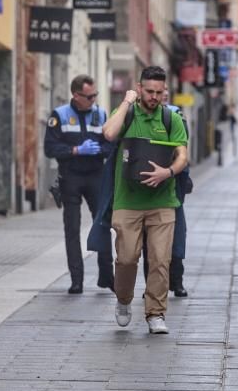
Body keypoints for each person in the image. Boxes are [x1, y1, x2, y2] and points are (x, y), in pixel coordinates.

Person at [103, 66, 188, 335]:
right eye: (149, 91)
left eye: (159, 92)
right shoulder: (127, 113)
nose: (154, 96)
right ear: (139, 89)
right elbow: (108, 133)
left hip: (163, 201)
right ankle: (124, 299)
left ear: (165, 92)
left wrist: (169, 172)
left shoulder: (170, 118)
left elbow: (183, 155)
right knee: (127, 258)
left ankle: (155, 313)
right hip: (127, 201)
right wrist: (126, 101)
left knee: (161, 260)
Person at [44, 74, 114, 294]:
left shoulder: (101, 114)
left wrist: (100, 150)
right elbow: (50, 148)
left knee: (102, 224)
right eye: (89, 96)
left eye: (95, 95)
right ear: (76, 95)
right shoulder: (60, 116)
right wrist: (74, 150)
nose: (93, 99)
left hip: (96, 175)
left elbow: (112, 145)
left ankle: (106, 276)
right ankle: (77, 280)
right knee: (72, 229)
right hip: (71, 176)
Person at [142, 88, 192, 297]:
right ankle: (150, 286)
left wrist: (185, 175)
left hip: (173, 181)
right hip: (149, 179)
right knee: (149, 236)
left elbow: (183, 148)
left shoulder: (174, 116)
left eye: (162, 92)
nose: (159, 96)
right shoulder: (140, 116)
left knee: (177, 234)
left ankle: (177, 281)